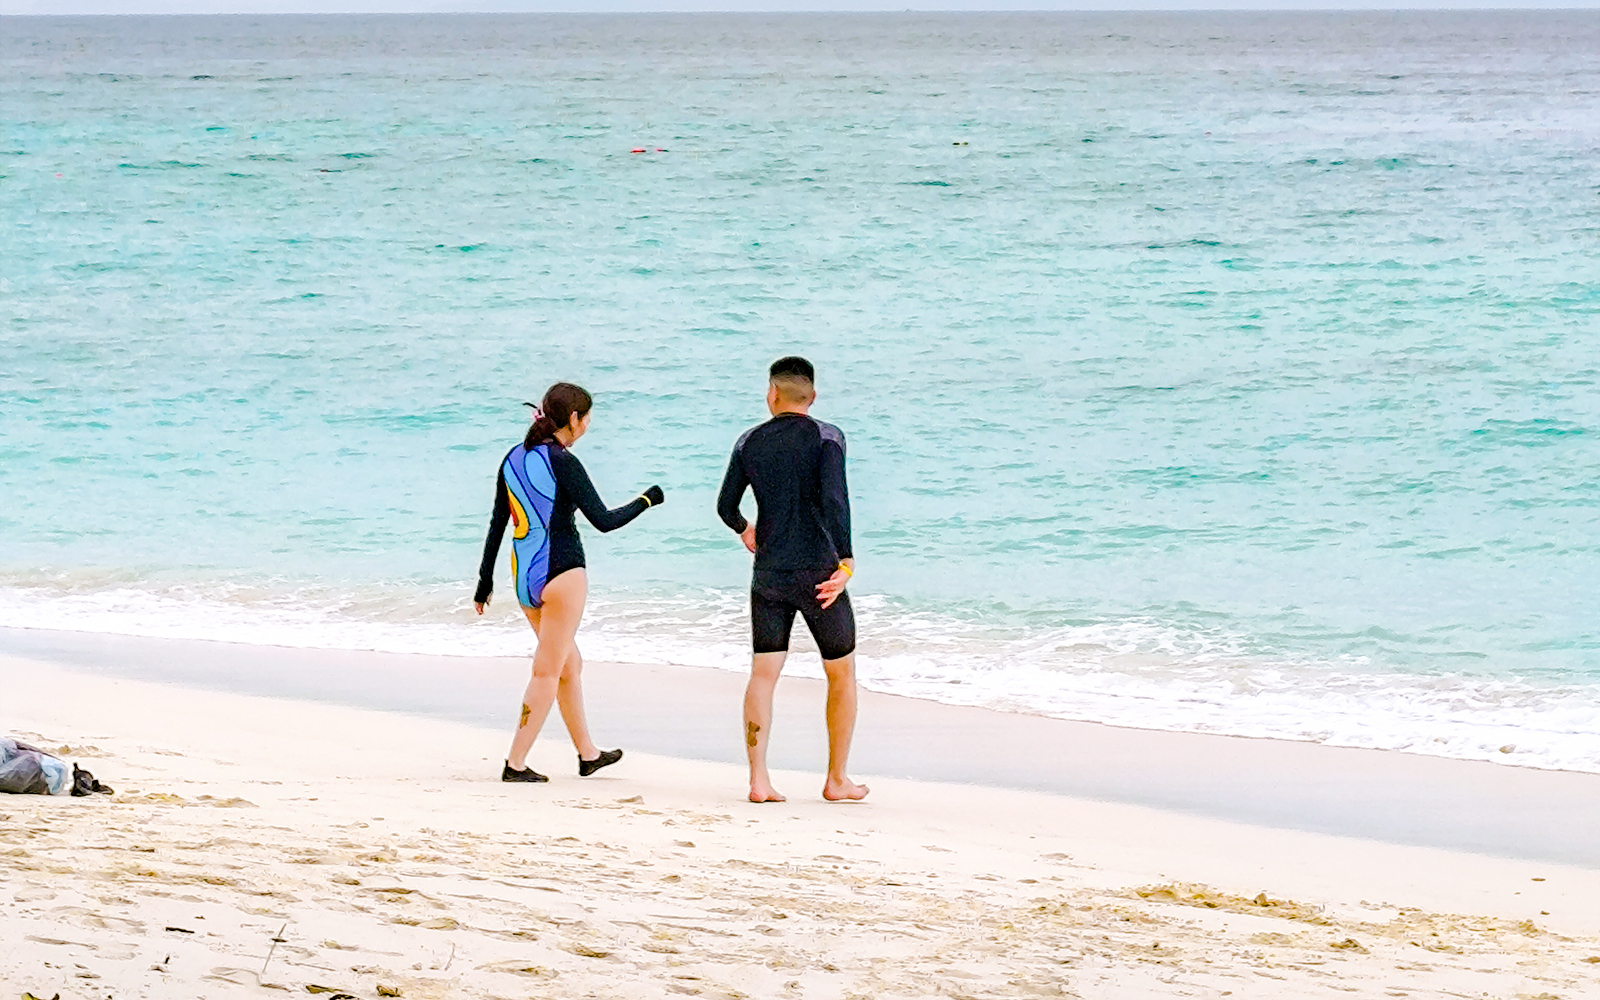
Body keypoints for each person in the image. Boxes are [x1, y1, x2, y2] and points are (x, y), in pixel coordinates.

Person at [475, 382, 665, 783]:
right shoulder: (564, 462)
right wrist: (647, 500)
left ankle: (588, 754)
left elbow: (498, 522)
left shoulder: (511, 459)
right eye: (588, 418)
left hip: (524, 575)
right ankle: (515, 763)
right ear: (574, 419)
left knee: (567, 664)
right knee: (547, 669)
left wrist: (484, 581)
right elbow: (604, 520)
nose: (588, 426)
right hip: (562, 574)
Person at [717, 356, 868, 803]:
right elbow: (834, 500)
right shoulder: (828, 437)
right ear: (813, 396)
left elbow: (726, 506)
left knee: (763, 674)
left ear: (772, 394)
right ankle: (836, 779)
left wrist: (746, 529)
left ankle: (758, 780)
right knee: (840, 675)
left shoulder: (748, 442)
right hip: (819, 574)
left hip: (769, 574)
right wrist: (845, 562)